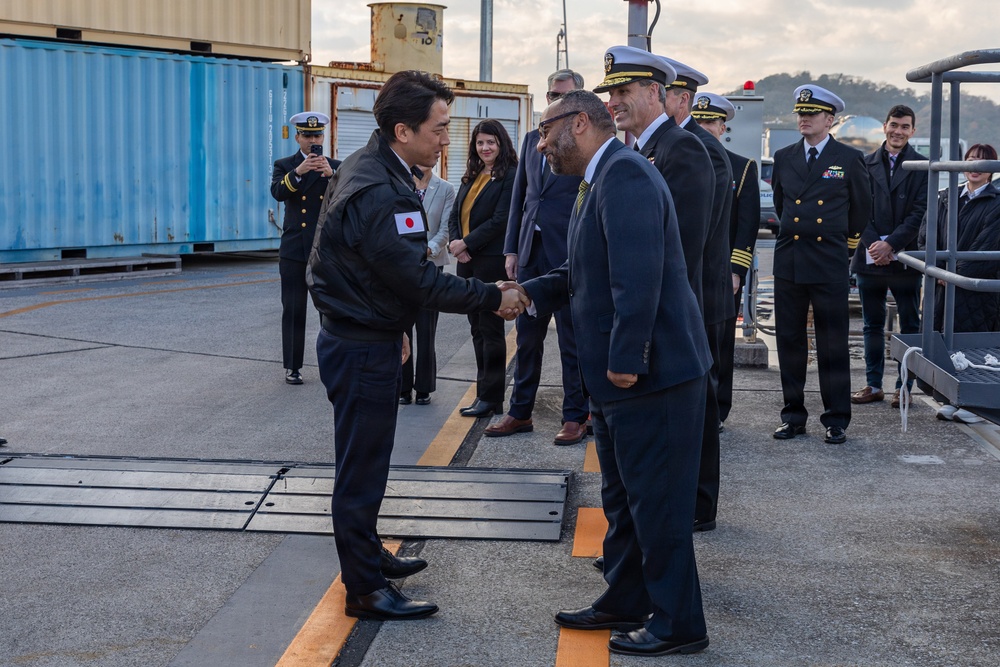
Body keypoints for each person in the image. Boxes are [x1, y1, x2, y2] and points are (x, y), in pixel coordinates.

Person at [306, 70, 528, 621]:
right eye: (439, 128)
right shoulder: (380, 187)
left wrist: (395, 327)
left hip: (367, 333)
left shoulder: (373, 164)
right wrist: (488, 297)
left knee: (368, 463)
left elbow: (369, 269)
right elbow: (415, 278)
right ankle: (363, 588)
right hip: (359, 345)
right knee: (361, 469)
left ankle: (367, 554)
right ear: (403, 130)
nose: (446, 138)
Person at [507, 88, 712, 657]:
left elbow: (637, 278)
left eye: (546, 131)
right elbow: (585, 268)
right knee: (623, 501)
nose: (540, 144)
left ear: (577, 123)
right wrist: (528, 290)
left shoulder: (623, 177)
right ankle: (625, 597)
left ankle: (679, 623)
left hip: (652, 377)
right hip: (623, 380)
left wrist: (625, 361)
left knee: (658, 505)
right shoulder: (598, 178)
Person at [486, 68, 589, 445]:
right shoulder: (532, 140)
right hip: (531, 250)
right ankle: (520, 412)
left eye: (561, 96)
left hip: (567, 253)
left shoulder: (584, 143)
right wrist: (511, 248)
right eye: (550, 96)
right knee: (526, 339)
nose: (553, 102)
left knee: (571, 340)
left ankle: (576, 415)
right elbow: (522, 199)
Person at [770, 85, 872, 445]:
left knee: (832, 344)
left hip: (827, 260)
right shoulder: (784, 156)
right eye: (800, 113)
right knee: (790, 342)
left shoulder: (848, 158)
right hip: (791, 261)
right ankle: (793, 416)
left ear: (829, 120)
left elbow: (860, 208)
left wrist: (845, 246)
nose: (804, 118)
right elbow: (782, 205)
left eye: (811, 114)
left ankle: (836, 418)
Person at [657, 58, 734, 531]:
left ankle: (699, 506)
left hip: (698, 294)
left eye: (661, 92)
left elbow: (691, 237)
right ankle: (692, 502)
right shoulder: (675, 144)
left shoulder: (697, 149)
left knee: (698, 408)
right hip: (693, 292)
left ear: (681, 99)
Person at [850, 106, 927, 409]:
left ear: (912, 131)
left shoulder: (921, 165)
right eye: (894, 125)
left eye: (905, 127)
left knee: (909, 323)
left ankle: (904, 387)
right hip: (870, 255)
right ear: (884, 127)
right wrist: (874, 245)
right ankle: (873, 384)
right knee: (871, 323)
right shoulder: (864, 162)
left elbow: (920, 212)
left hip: (906, 257)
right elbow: (857, 207)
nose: (898, 131)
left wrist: (891, 245)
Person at [692, 92, 761, 427]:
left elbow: (747, 226)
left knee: (719, 343)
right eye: (699, 121)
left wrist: (736, 270)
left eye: (710, 122)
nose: (704, 127)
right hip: (689, 268)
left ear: (723, 128)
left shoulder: (742, 167)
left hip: (721, 271)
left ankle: (718, 409)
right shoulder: (682, 158)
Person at [448, 119, 518, 418]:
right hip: (467, 261)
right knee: (476, 328)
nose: (485, 148)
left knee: (490, 330)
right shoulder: (473, 175)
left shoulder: (510, 176)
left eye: (491, 142)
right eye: (480, 143)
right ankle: (482, 394)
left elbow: (501, 219)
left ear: (501, 144)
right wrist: (455, 241)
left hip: (489, 261)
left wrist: (466, 244)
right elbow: (455, 212)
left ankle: (491, 398)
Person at [270, 112, 341, 385]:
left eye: (317, 135)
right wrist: (298, 173)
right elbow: (277, 192)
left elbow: (351, 197)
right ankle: (293, 366)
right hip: (294, 248)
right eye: (307, 135)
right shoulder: (285, 164)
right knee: (294, 308)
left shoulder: (335, 166)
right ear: (297, 137)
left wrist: (332, 175)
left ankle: (332, 362)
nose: (313, 141)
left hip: (326, 248)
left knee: (330, 309)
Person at [399, 163, 455, 406]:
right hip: (401, 265)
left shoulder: (445, 189)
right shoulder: (400, 185)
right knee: (401, 325)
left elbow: (446, 228)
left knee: (426, 327)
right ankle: (402, 387)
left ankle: (424, 387)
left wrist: (428, 248)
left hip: (431, 264)